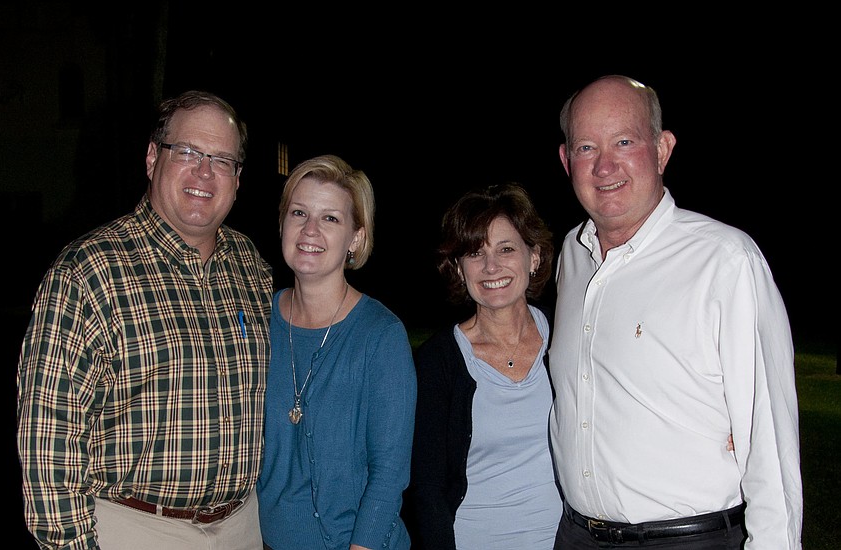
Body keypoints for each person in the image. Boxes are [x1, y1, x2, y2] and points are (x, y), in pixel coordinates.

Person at [549, 74, 802, 549]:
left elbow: (770, 440)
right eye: (586, 147)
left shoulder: (725, 262)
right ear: (566, 160)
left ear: (662, 149)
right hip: (578, 535)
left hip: (688, 539)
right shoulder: (573, 254)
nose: (605, 165)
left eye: (624, 141)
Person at [16, 90, 273, 550]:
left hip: (242, 525)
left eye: (222, 160)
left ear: (237, 177)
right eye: (189, 152)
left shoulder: (250, 266)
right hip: (135, 529)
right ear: (153, 158)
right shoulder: (88, 270)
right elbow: (46, 439)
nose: (204, 172)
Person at [256, 154, 417, 550]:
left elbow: (389, 473)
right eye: (299, 213)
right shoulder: (256, 322)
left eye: (330, 218)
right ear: (282, 223)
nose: (310, 229)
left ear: (356, 238)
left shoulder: (380, 335)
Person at [405, 182, 560, 549]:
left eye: (506, 249)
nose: (491, 266)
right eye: (475, 253)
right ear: (459, 269)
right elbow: (426, 491)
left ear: (533, 257)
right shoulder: (437, 364)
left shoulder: (569, 338)